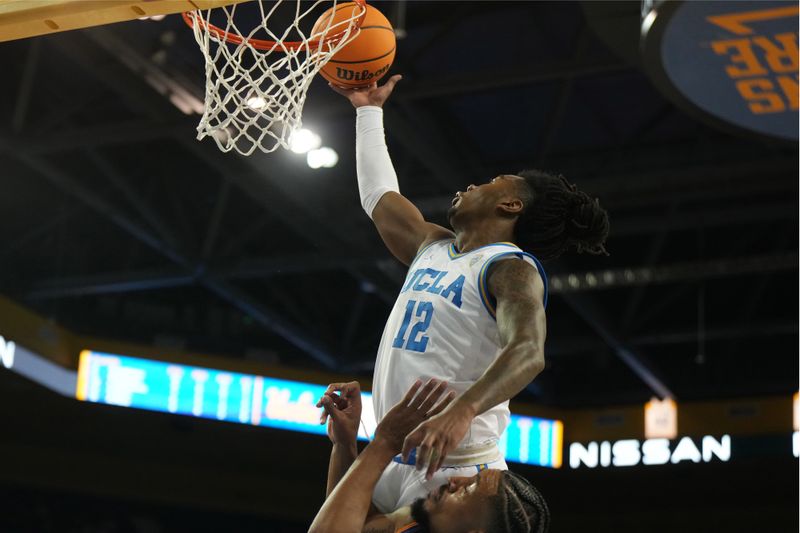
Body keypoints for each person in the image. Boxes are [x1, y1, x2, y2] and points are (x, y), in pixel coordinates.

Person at [325, 75, 609, 512]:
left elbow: (528, 351)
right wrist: (368, 110)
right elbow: (379, 197)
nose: (471, 185)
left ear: (511, 206)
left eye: (492, 182)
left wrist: (463, 410)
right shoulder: (432, 247)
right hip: (394, 452)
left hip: (458, 468)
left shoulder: (509, 267)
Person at [309, 380, 550, 533]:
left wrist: (384, 444)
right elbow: (357, 524)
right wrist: (344, 445)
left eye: (467, 490)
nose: (455, 481)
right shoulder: (426, 524)